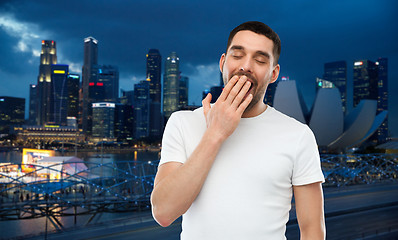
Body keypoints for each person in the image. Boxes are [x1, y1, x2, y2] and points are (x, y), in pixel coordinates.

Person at [151, 21, 325, 240]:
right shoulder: (182, 122)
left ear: (273, 73)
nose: (246, 66)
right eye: (237, 55)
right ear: (223, 62)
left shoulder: (298, 136)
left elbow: (312, 230)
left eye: (260, 60)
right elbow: (163, 213)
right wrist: (215, 133)